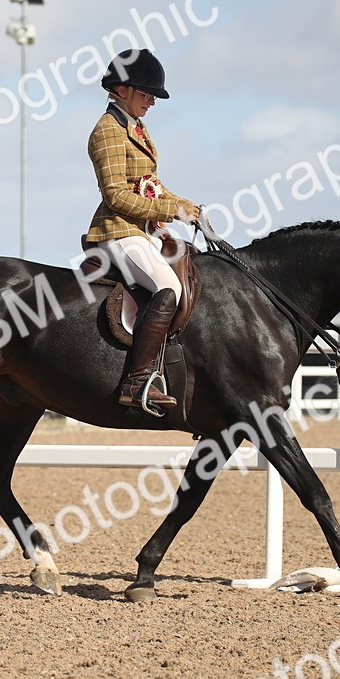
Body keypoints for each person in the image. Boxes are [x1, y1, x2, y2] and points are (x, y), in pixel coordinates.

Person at [83, 47, 200, 409]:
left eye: (153, 97)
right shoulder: (108, 130)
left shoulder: (135, 126)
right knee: (167, 287)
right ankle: (137, 382)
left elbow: (151, 183)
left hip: (141, 230)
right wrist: (170, 209)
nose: (151, 102)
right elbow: (117, 196)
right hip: (116, 230)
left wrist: (187, 206)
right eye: (146, 94)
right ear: (121, 89)